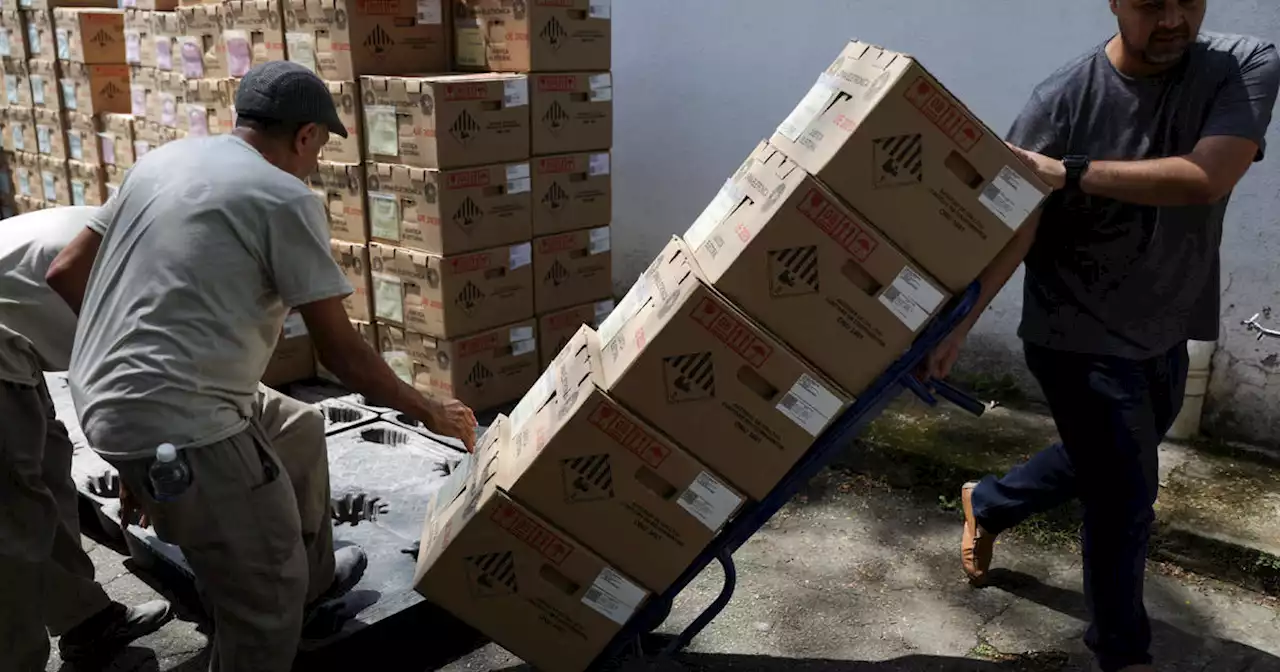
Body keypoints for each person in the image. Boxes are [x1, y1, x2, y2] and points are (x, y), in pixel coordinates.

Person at [47, 61, 478, 672]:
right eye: (320, 148)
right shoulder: (283, 197)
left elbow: (65, 271)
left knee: (298, 429)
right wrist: (430, 409)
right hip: (183, 422)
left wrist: (129, 410)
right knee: (262, 609)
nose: (316, 162)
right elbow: (340, 352)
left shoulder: (163, 161)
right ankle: (285, 598)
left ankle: (317, 587)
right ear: (305, 136)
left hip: (98, 395)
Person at [923, 2, 1279, 671]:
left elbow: (1208, 175)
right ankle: (1121, 654)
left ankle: (989, 500)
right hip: (1076, 331)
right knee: (1124, 501)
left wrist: (1072, 171)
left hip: (1167, 322)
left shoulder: (1243, 64)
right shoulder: (1060, 101)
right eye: (1150, 3)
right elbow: (1017, 222)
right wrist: (959, 325)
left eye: (1187, 0)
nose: (1173, 18)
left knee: (1109, 458)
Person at [0, 206, 174, 671]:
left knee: (48, 472)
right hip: (2, 352)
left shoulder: (138, 238)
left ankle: (86, 621)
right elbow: (110, 389)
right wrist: (134, 470)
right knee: (13, 523)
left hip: (14, 340)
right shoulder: (133, 273)